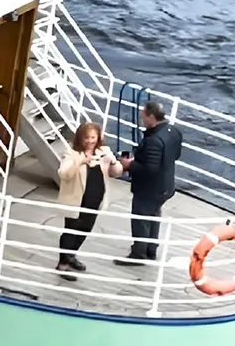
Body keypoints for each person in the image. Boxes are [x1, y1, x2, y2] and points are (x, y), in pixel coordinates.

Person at [117, 101, 185, 264]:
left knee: (141, 218)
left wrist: (129, 165)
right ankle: (150, 250)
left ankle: (138, 254)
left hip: (150, 188)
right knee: (154, 216)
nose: (142, 120)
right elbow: (176, 155)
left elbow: (150, 169)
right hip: (165, 185)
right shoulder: (173, 131)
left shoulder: (154, 140)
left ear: (151, 117)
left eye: (143, 117)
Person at [54, 122, 122, 279]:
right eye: (87, 138)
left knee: (85, 229)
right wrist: (80, 162)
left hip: (95, 199)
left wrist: (113, 162)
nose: (90, 141)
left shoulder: (103, 151)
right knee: (71, 231)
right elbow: (63, 173)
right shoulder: (72, 153)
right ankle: (62, 264)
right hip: (76, 200)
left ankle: (71, 256)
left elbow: (116, 172)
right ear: (80, 138)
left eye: (93, 137)